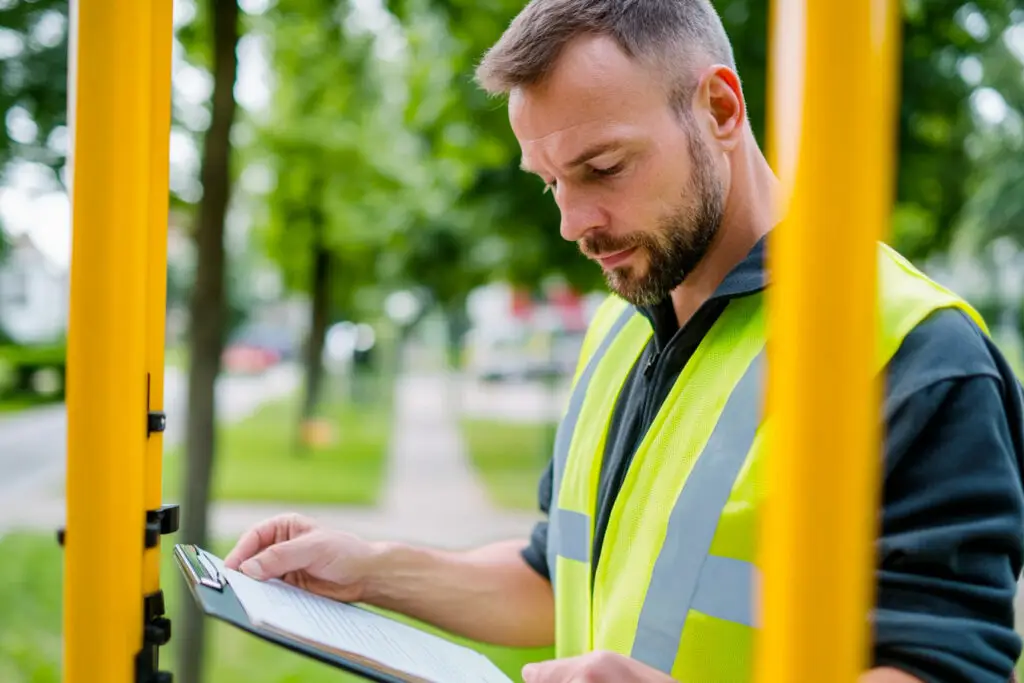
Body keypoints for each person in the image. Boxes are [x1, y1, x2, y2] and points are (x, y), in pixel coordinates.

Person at [225, 1, 1024, 681]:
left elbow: (946, 665)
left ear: (719, 110)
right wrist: (371, 570)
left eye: (602, 168)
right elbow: (558, 576)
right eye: (552, 184)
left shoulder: (916, 353)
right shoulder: (621, 326)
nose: (573, 224)